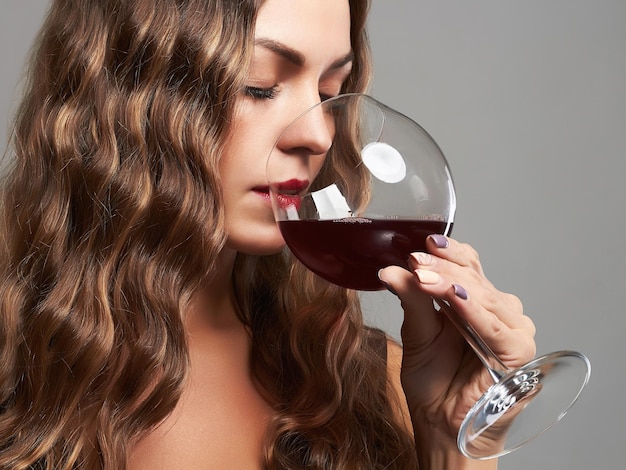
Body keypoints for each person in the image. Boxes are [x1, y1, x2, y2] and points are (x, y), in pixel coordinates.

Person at [0, 0, 536, 468]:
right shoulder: (17, 367)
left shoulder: (372, 380)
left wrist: (452, 441)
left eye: (331, 89)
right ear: (128, 94)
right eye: (259, 85)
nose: (319, 133)